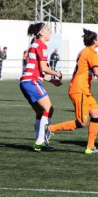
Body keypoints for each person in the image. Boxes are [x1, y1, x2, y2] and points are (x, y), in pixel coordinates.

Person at [46, 29, 98, 154]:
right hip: (79, 90)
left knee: (96, 115)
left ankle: (90, 147)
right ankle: (51, 128)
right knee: (82, 123)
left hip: (85, 90)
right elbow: (97, 74)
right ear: (94, 41)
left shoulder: (83, 52)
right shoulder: (92, 52)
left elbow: (85, 67)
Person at [19, 23, 62, 151]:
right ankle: (40, 141)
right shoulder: (42, 45)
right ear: (41, 33)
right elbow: (44, 68)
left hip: (25, 81)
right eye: (48, 30)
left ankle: (39, 140)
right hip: (32, 81)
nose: (50, 33)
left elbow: (37, 70)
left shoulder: (34, 44)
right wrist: (57, 73)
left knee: (40, 112)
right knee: (49, 109)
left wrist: (50, 80)